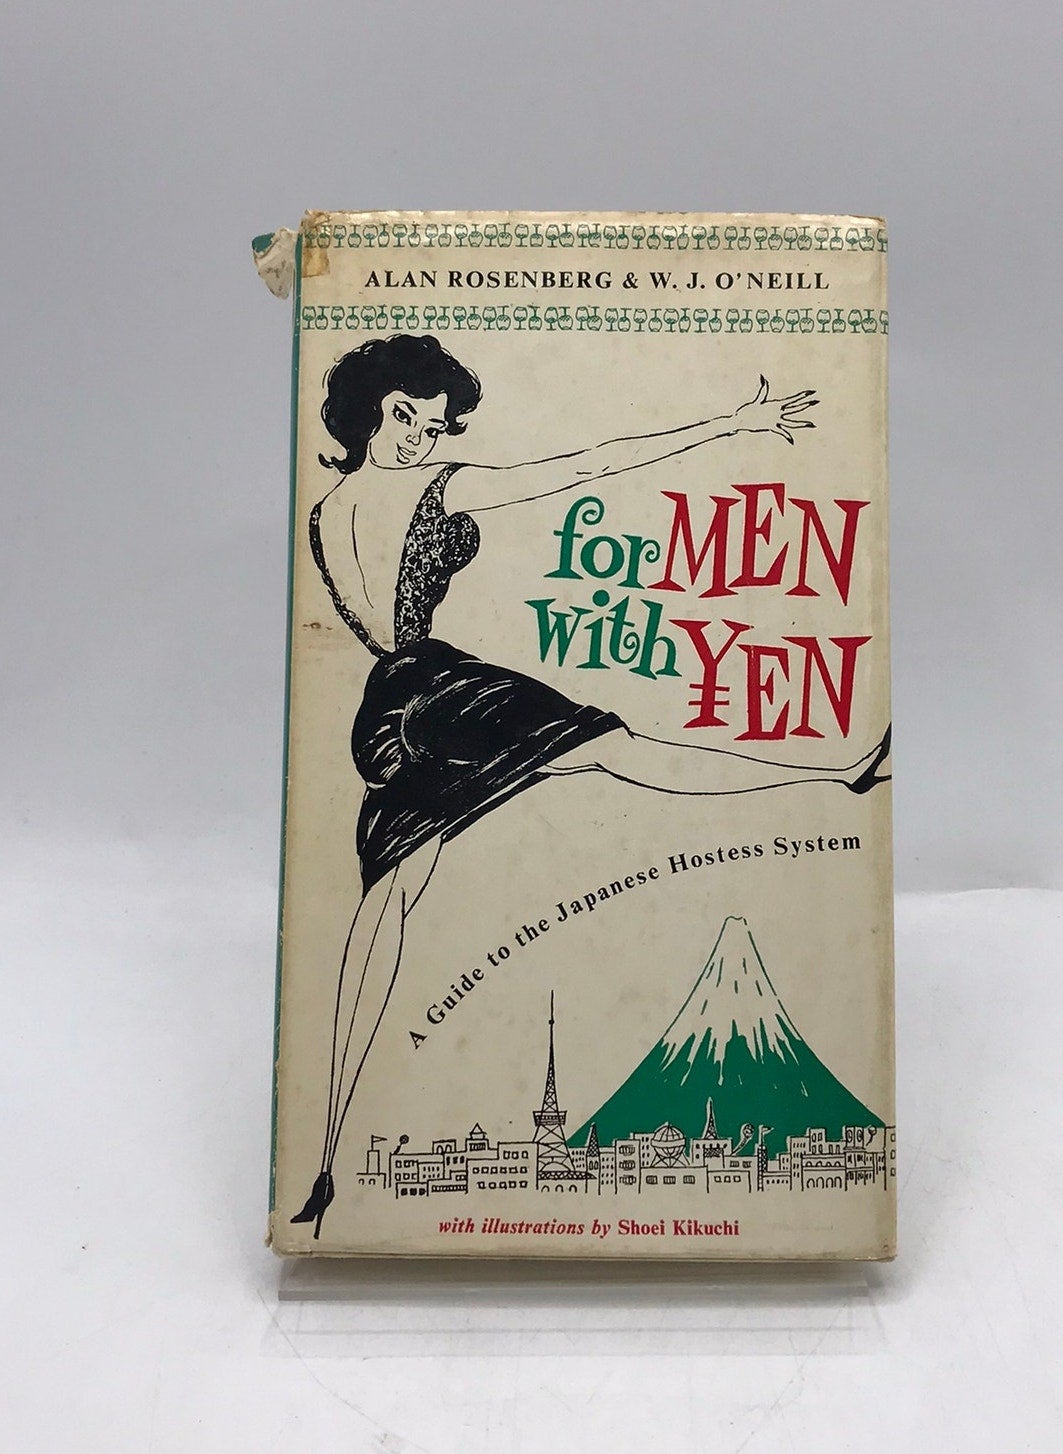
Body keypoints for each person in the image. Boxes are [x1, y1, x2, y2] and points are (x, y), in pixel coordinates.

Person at [291, 334, 889, 1235]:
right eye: (414, 418)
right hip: (441, 688)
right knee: (615, 746)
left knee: (384, 908)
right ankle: (836, 771)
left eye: (436, 426)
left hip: (386, 712)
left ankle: (327, 1165)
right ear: (381, 407)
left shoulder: (321, 515)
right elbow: (588, 464)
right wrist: (733, 423)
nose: (424, 437)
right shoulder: (434, 486)